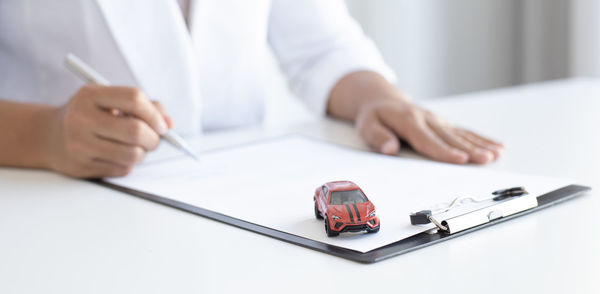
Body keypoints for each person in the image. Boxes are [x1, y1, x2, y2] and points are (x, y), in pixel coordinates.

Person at [0, 0, 504, 178]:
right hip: (44, 208)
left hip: (234, 208)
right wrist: (44, 136)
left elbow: (321, 45)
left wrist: (378, 97)